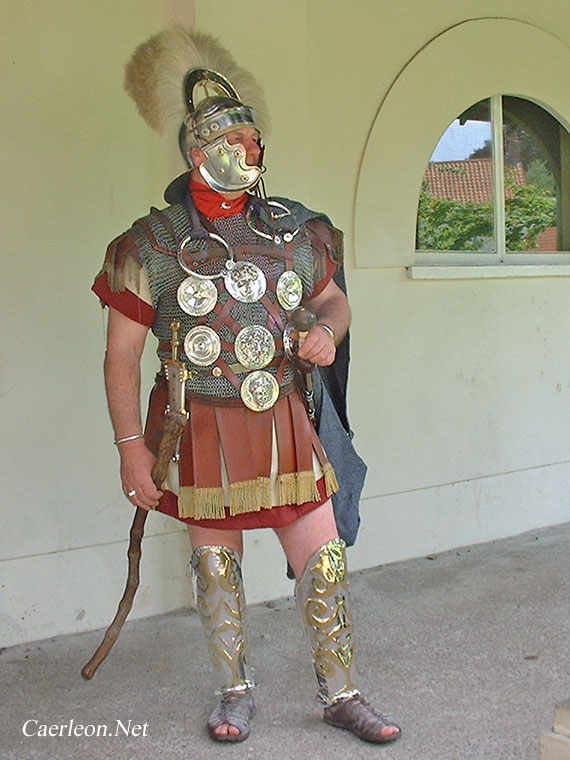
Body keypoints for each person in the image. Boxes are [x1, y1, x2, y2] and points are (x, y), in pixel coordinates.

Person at [92, 27, 400, 745]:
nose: (256, 155)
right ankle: (233, 693)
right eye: (241, 144)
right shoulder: (151, 245)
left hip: (284, 418)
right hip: (199, 423)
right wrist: (131, 450)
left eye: (257, 143)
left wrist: (329, 331)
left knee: (322, 560)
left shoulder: (298, 230)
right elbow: (121, 357)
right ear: (200, 155)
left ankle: (342, 692)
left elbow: (333, 301)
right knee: (216, 564)